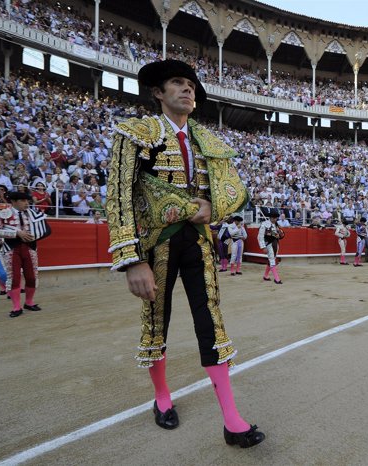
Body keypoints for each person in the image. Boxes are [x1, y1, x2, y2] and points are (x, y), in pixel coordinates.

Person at [106, 59, 263, 447]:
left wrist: (217, 209)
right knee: (156, 318)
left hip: (198, 242)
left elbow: (232, 193)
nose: (187, 88)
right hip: (155, 243)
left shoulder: (208, 142)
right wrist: (132, 260)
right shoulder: (136, 133)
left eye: (191, 84)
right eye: (177, 82)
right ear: (158, 92)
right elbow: (119, 195)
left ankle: (232, 419)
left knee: (210, 319)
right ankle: (162, 398)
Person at [0, 192, 44, 318]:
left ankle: (29, 302)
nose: (26, 203)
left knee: (32, 277)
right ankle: (16, 307)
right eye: (23, 200)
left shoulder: (33, 214)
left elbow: (41, 229)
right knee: (14, 278)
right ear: (13, 202)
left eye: (27, 200)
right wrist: (17, 233)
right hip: (11, 248)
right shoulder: (1, 214)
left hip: (30, 247)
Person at [258, 210, 284, 283]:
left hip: (275, 244)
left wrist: (279, 234)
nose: (276, 219)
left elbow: (280, 235)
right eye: (274, 218)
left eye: (276, 218)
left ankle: (266, 276)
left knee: (272, 259)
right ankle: (277, 279)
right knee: (272, 260)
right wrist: (263, 247)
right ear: (271, 218)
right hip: (269, 244)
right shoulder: (264, 224)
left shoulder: (276, 225)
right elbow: (260, 237)